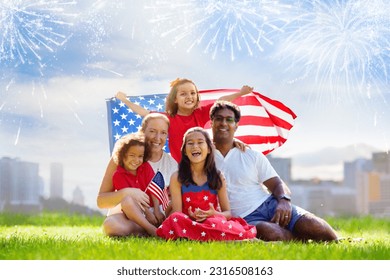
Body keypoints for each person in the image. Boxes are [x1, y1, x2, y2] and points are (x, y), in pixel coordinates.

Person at [209, 100, 339, 242]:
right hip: (243, 218)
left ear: (236, 125)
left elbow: (277, 184)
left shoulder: (251, 154)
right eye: (219, 119)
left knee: (314, 226)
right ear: (211, 122)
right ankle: (301, 241)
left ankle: (338, 242)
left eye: (229, 119)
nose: (224, 123)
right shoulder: (203, 156)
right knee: (271, 233)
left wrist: (284, 201)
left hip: (270, 205)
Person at [115, 78, 253, 162]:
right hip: (180, 168)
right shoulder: (168, 118)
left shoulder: (201, 113)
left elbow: (221, 101)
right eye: (183, 94)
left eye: (193, 93)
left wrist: (241, 93)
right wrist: (124, 100)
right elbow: (144, 113)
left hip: (203, 163)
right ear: (175, 99)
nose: (189, 97)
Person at [156, 127, 257, 241]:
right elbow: (178, 212)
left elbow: (227, 213)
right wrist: (190, 216)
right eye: (190, 143)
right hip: (189, 222)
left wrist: (214, 213)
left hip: (212, 221)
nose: (195, 146)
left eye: (200, 142)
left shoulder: (217, 177)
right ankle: (219, 238)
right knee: (175, 218)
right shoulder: (177, 177)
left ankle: (203, 237)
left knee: (214, 222)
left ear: (209, 149)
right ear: (184, 150)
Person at [97, 113, 177, 237]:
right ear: (142, 132)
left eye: (163, 133)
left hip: (158, 215)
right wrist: (127, 192)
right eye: (152, 131)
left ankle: (147, 230)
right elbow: (101, 202)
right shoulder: (121, 158)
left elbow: (174, 200)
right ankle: (147, 229)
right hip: (128, 215)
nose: (157, 137)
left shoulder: (171, 164)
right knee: (112, 226)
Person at [111, 132, 165, 235]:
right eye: (132, 155)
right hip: (138, 212)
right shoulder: (118, 175)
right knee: (126, 201)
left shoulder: (145, 167)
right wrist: (147, 212)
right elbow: (132, 199)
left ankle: (160, 227)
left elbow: (154, 188)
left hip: (155, 207)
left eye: (140, 156)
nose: (136, 160)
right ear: (123, 156)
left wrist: (157, 210)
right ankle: (150, 229)